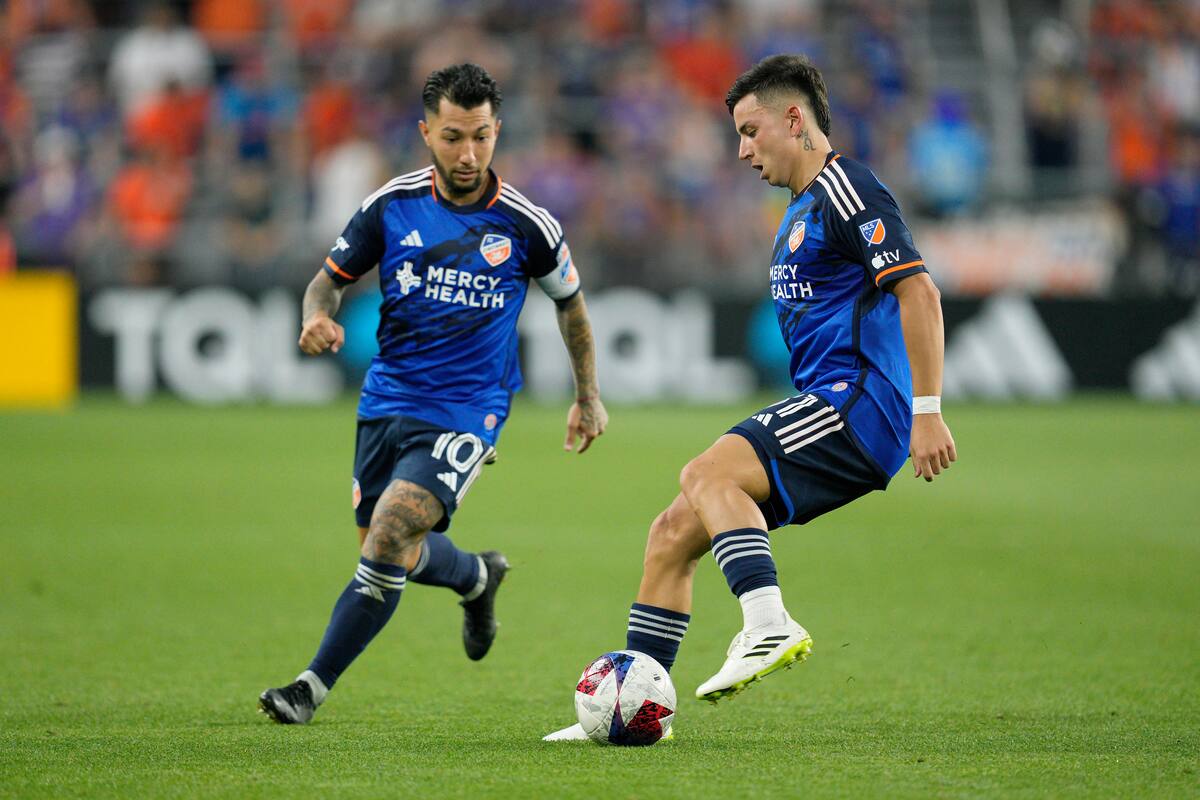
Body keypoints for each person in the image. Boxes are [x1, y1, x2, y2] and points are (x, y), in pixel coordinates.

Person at [545, 54, 955, 740]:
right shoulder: (797, 210)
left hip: (860, 405)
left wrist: (927, 410)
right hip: (833, 402)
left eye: (748, 129)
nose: (740, 149)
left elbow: (919, 290)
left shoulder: (845, 188)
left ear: (793, 118)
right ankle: (630, 710)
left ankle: (768, 622)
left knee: (707, 472)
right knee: (672, 531)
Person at [260, 63, 608, 724]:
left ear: (498, 131)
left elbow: (572, 307)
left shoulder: (527, 223)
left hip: (470, 409)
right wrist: (315, 315)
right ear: (426, 132)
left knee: (390, 533)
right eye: (453, 137)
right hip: (387, 401)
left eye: (481, 136)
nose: (469, 153)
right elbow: (327, 281)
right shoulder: (390, 206)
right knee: (388, 551)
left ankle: (309, 688)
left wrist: (587, 394)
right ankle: (477, 576)